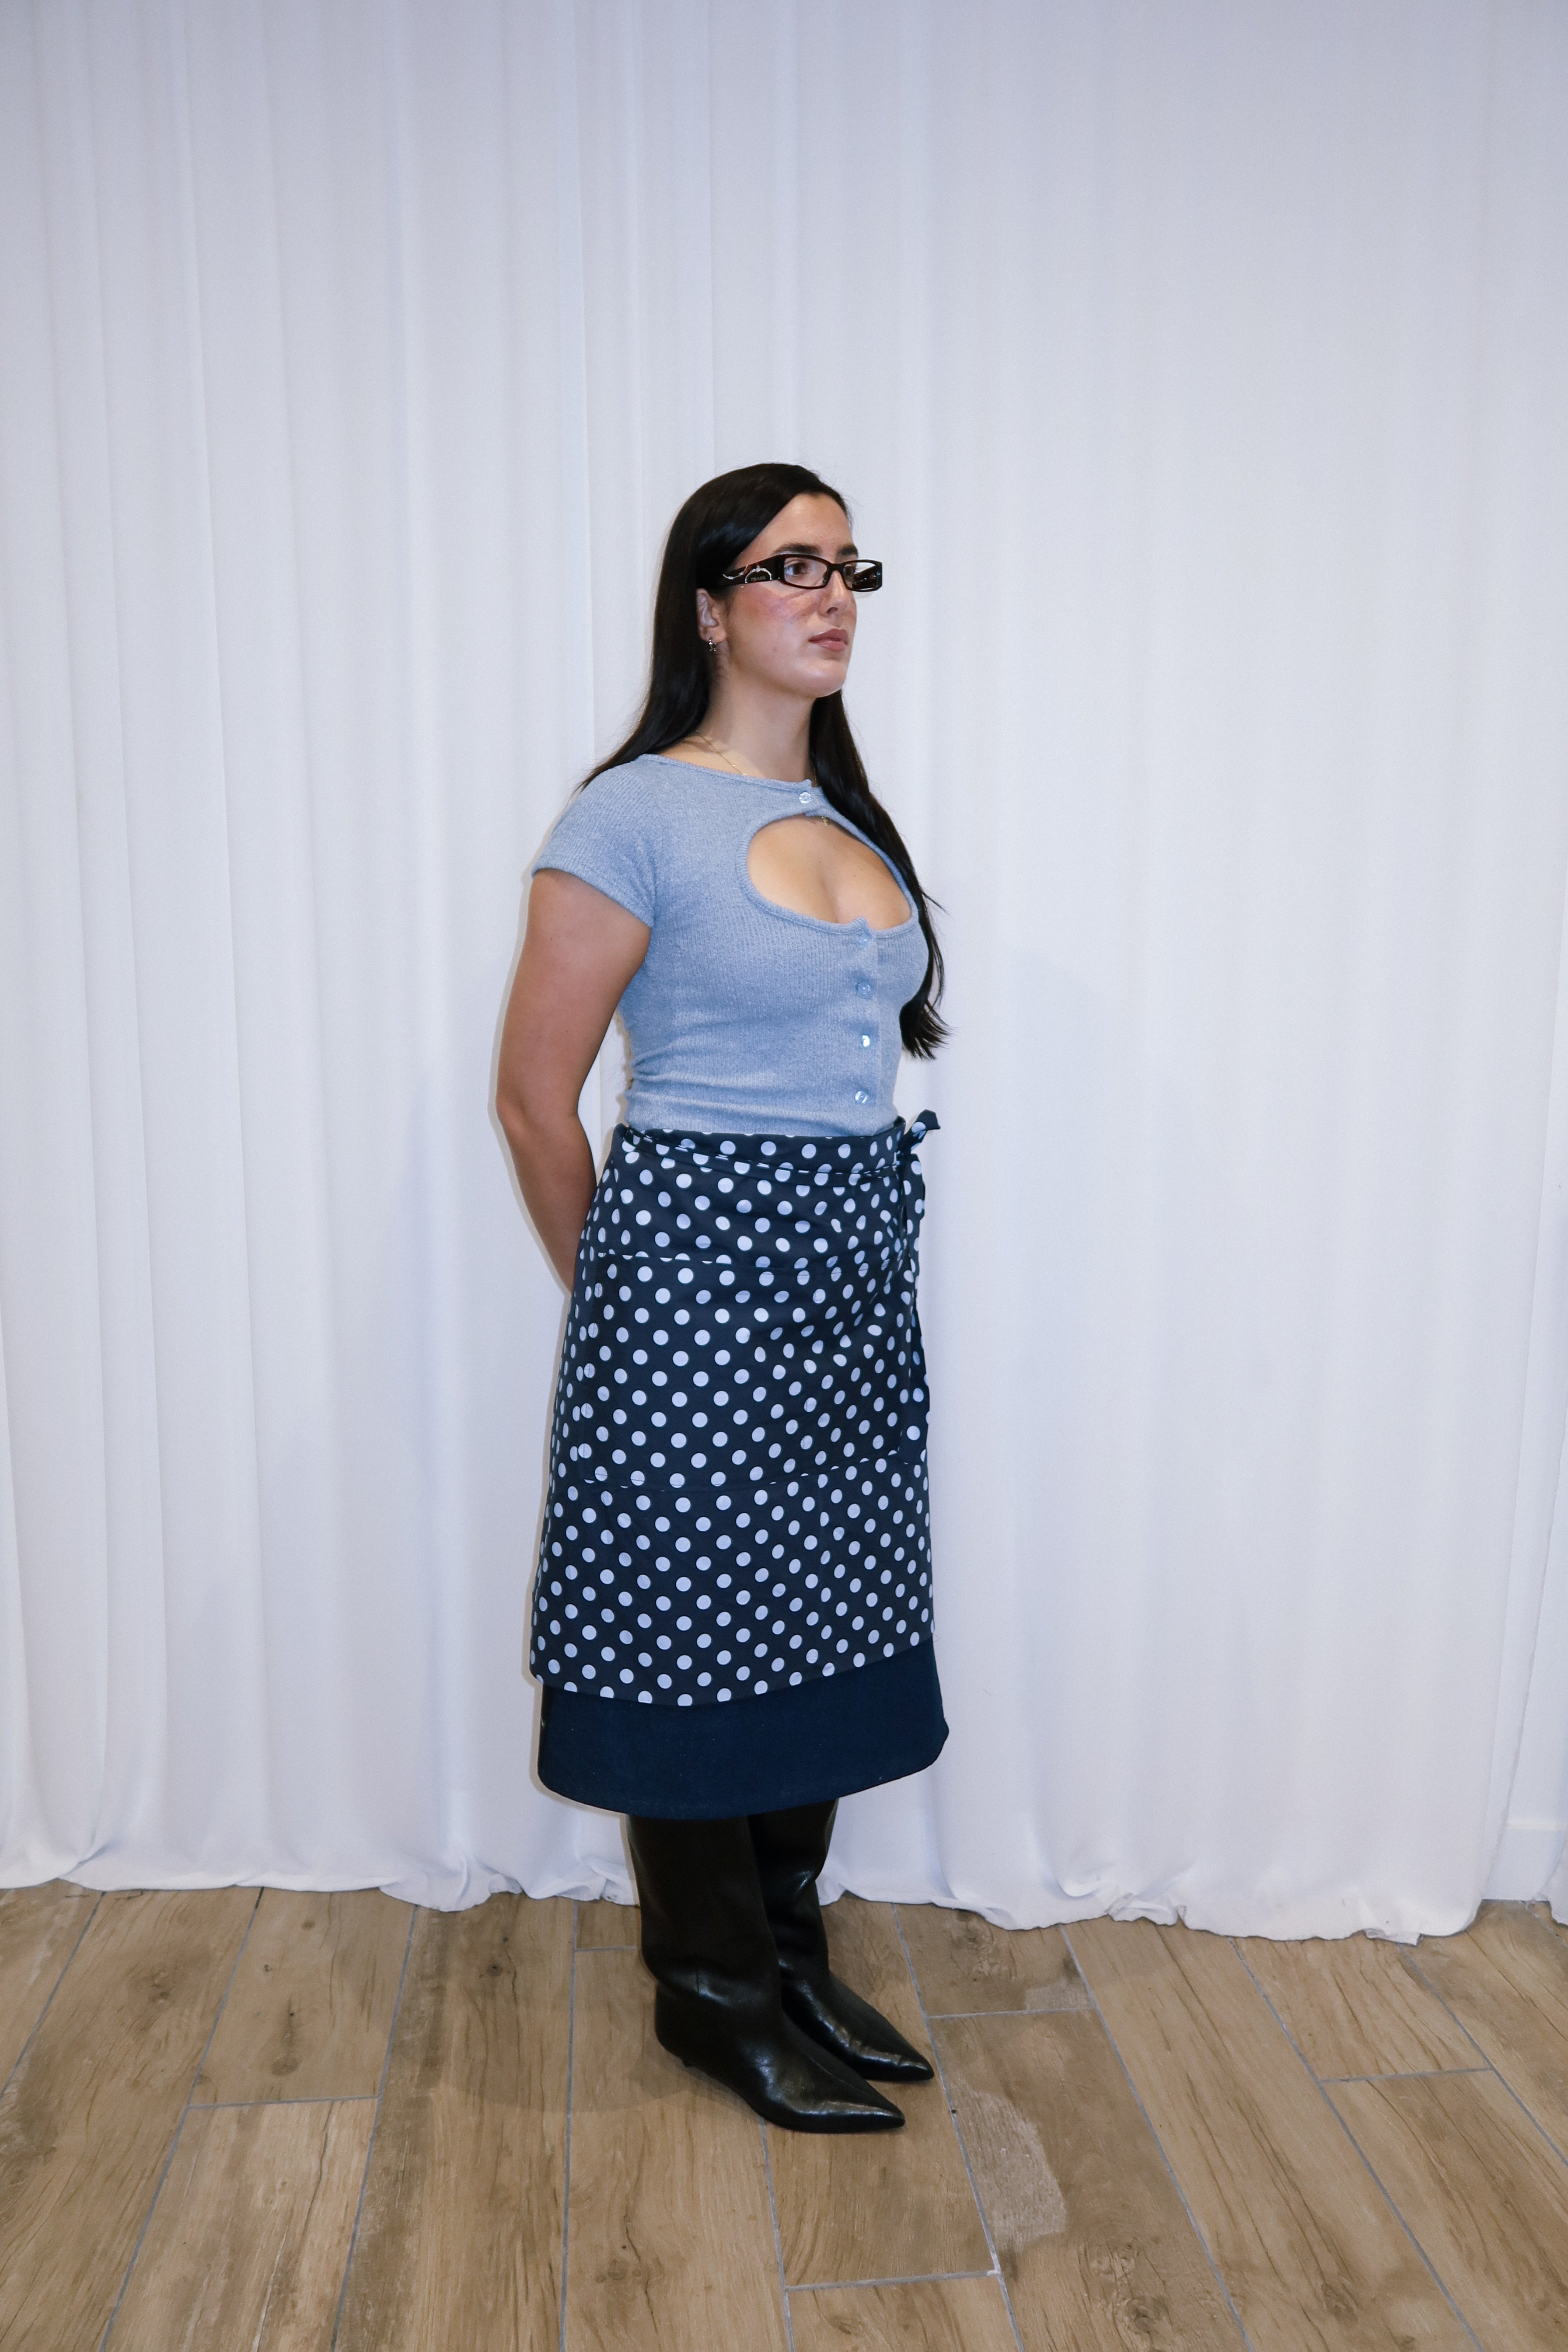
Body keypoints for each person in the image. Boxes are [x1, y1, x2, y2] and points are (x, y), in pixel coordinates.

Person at [496, 462, 948, 2134]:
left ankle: (787, 1947)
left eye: (848, 567)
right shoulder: (627, 814)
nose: (828, 596)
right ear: (709, 608)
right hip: (694, 1276)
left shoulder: (845, 818)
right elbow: (537, 1099)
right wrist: (632, 1306)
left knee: (813, 1600)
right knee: (689, 1631)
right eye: (786, 568)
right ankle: (711, 1995)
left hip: (847, 1279)